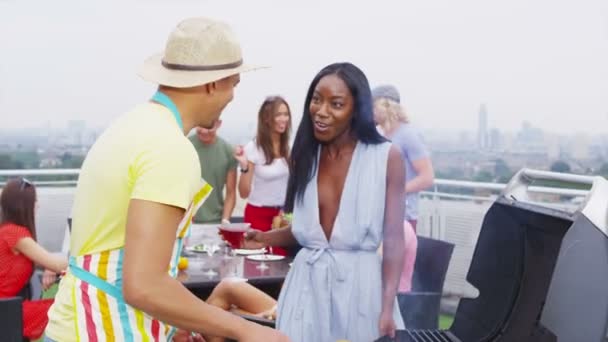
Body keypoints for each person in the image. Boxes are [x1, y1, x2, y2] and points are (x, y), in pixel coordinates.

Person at [44, 17, 288, 342]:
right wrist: (249, 331)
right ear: (213, 83)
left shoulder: (131, 127)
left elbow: (117, 254)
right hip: (109, 330)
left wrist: (177, 322)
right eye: (234, 83)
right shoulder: (170, 148)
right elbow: (144, 284)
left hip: (74, 323)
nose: (233, 95)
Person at [244, 62, 406, 341]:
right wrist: (263, 237)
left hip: (361, 289)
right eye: (316, 99)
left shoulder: (386, 158)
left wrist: (388, 306)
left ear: (357, 110)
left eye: (336, 103)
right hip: (306, 288)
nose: (321, 111)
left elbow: (393, 240)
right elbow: (307, 231)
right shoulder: (304, 156)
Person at [0, 178, 67, 340]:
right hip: (6, 311)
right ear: (24, 206)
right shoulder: (16, 235)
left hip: (9, 307)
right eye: (35, 201)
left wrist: (48, 266)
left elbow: (46, 260)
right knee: (66, 307)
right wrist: (55, 264)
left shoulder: (8, 231)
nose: (38, 205)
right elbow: (59, 264)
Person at [372, 84, 434, 232]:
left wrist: (395, 191)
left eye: (372, 107)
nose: (368, 112)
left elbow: (427, 178)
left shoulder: (408, 135)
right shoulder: (381, 134)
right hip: (380, 216)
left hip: (403, 218)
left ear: (384, 107)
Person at [235, 96, 291, 255]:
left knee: (281, 267)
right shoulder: (253, 148)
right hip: (257, 216)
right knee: (258, 267)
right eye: (278, 114)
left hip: (281, 219)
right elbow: (243, 193)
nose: (283, 119)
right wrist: (244, 166)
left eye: (286, 114)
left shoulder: (288, 148)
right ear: (266, 118)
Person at [189, 119, 238, 224]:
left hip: (216, 222)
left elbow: (231, 193)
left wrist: (225, 220)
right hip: (186, 223)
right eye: (201, 126)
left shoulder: (228, 151)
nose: (204, 131)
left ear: (219, 123)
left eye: (209, 127)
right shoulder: (185, 146)